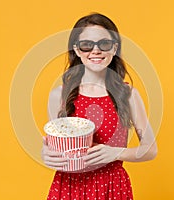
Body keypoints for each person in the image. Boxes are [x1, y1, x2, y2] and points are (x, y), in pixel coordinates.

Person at [41, 13, 157, 200]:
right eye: (87, 45)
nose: (95, 51)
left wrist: (116, 153)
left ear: (114, 48)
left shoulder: (128, 95)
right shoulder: (59, 96)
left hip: (112, 186)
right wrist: (46, 153)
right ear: (77, 50)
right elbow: (54, 146)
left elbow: (150, 149)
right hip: (70, 186)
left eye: (104, 44)